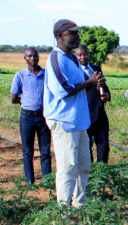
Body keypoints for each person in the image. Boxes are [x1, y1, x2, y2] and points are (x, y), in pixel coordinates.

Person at [44, 19, 105, 207]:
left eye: (77, 33)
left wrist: (94, 82)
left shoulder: (71, 58)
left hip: (78, 121)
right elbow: (64, 89)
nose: (78, 36)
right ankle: (64, 212)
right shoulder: (56, 58)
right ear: (60, 36)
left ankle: (79, 205)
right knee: (68, 167)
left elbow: (82, 85)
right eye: (73, 33)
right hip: (64, 122)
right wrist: (89, 83)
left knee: (84, 165)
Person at [10, 47, 52, 185]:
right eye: (29, 56)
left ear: (38, 57)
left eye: (35, 55)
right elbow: (13, 98)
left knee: (45, 151)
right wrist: (25, 101)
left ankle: (47, 181)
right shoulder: (20, 75)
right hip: (27, 116)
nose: (32, 58)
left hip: (44, 116)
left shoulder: (47, 75)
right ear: (25, 58)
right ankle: (29, 181)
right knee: (27, 151)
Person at [74, 44, 111, 163]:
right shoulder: (75, 72)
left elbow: (105, 87)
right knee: (86, 148)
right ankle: (89, 175)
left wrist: (107, 96)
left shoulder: (96, 69)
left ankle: (102, 172)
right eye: (79, 55)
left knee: (104, 146)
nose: (82, 57)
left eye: (85, 54)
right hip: (85, 115)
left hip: (100, 114)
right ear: (75, 56)